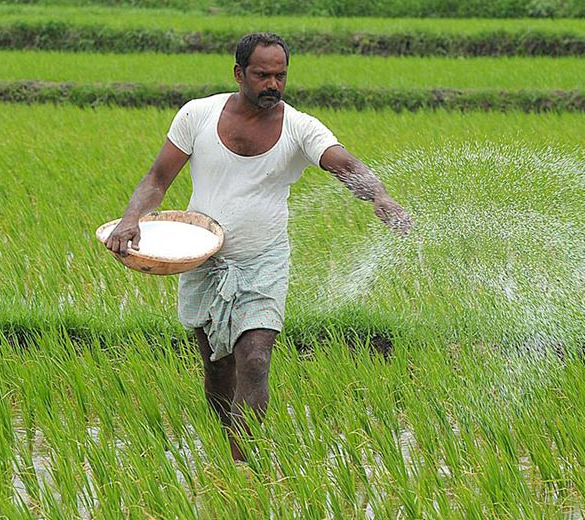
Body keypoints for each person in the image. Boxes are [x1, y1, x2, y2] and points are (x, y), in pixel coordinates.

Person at [105, 32, 411, 461]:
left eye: (280, 75)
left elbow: (344, 163)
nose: (273, 84)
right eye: (262, 75)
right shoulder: (197, 115)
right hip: (203, 258)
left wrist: (379, 195)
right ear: (239, 73)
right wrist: (131, 218)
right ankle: (227, 446)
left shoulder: (300, 128)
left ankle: (243, 461)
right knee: (217, 367)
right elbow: (157, 179)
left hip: (263, 258)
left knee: (255, 358)